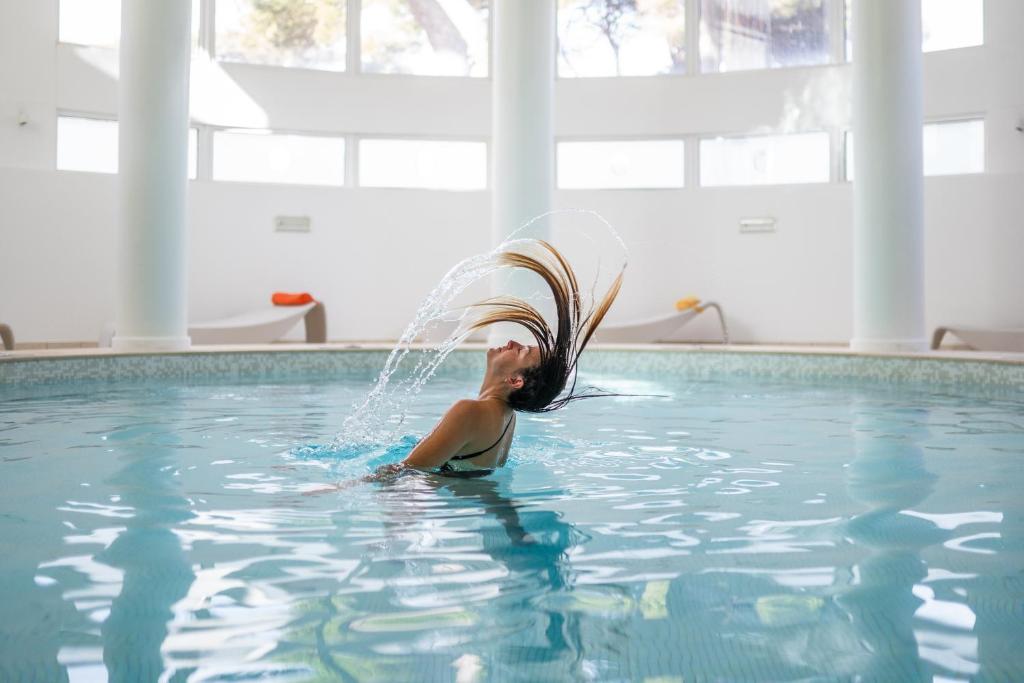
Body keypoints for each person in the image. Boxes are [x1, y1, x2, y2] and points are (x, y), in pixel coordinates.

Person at [400, 239, 623, 476]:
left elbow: (405, 472)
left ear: (516, 381)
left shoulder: (469, 411)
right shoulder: (506, 418)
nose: (512, 343)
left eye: (521, 351)